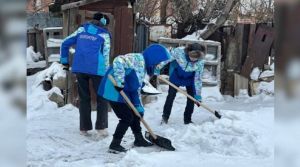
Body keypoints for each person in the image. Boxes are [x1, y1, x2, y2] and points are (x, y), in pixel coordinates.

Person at [98, 44, 171, 153]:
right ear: (153, 57)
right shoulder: (136, 59)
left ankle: (139, 139)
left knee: (136, 114)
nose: (157, 66)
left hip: (124, 90)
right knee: (127, 117)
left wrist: (139, 107)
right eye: (158, 62)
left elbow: (135, 89)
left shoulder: (143, 68)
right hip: (113, 89)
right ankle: (114, 144)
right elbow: (118, 61)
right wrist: (120, 81)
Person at [60, 12, 111, 136]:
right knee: (102, 97)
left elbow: (65, 43)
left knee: (84, 98)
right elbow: (105, 54)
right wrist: (106, 71)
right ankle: (101, 126)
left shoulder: (81, 30)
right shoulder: (104, 34)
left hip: (80, 68)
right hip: (97, 69)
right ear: (103, 22)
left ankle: (84, 128)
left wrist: (65, 62)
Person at [156, 43, 206, 125]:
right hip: (176, 76)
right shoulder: (179, 52)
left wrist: (197, 95)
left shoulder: (200, 62)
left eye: (196, 58)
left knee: (191, 98)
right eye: (192, 57)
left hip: (189, 79)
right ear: (188, 52)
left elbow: (198, 78)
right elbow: (166, 59)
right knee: (170, 97)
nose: (193, 59)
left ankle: (187, 119)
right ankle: (165, 117)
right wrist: (158, 68)